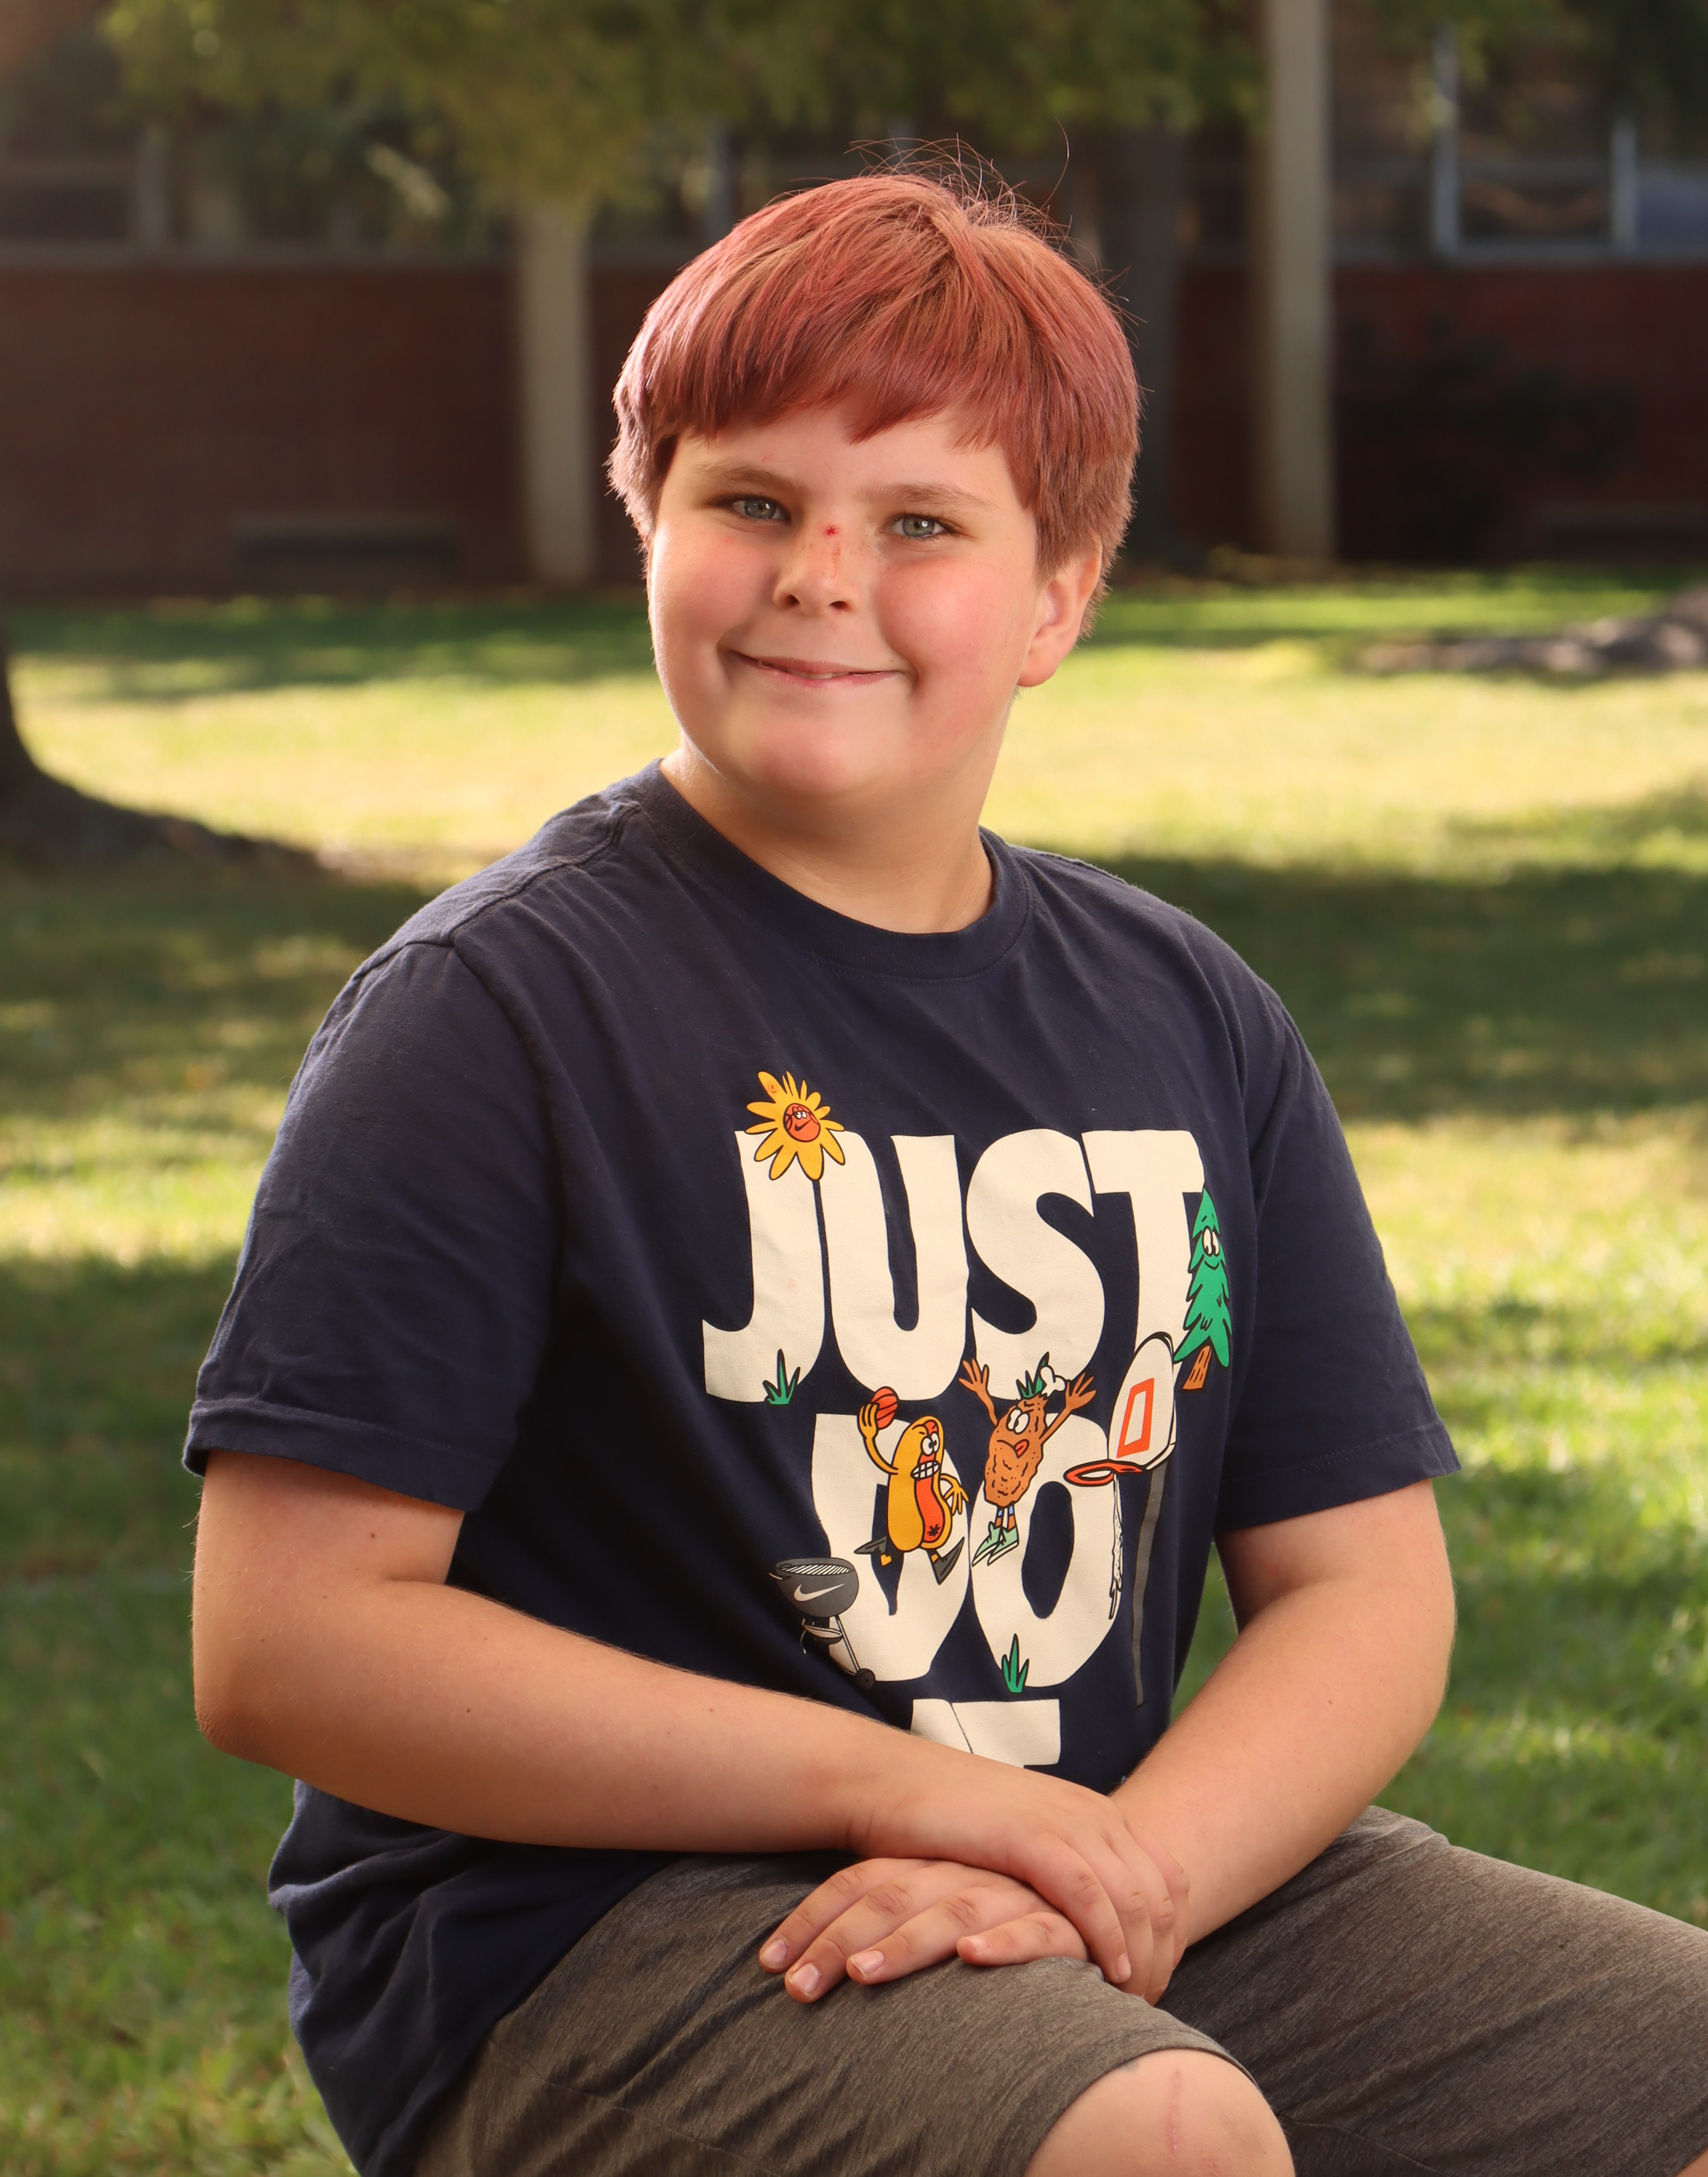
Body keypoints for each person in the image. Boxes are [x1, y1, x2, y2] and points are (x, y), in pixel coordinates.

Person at [186, 170, 1708, 2177]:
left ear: (1059, 596)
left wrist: (1116, 1870)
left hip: (1081, 1859)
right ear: (652, 526)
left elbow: (1363, 1588)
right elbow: (290, 1644)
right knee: (1157, 2131)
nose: (822, 575)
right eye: (752, 501)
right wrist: (907, 1795)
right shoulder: (496, 1012)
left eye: (920, 523)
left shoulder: (1186, 1012)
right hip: (584, 1935)